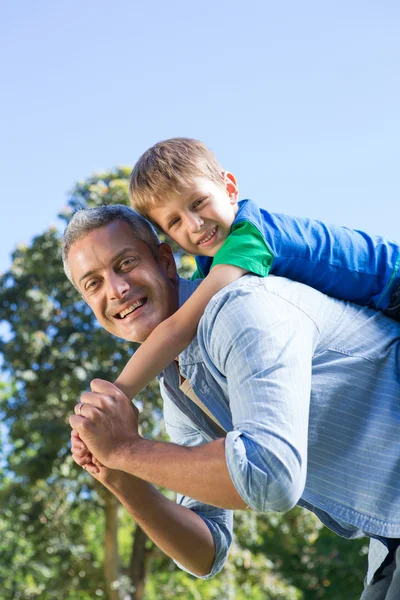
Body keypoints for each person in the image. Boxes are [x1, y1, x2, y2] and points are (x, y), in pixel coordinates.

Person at [64, 204, 400, 598]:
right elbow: (206, 551)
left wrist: (125, 449)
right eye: (93, 283)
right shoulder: (177, 382)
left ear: (166, 262)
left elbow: (272, 475)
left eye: (125, 263)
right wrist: (121, 477)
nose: (116, 290)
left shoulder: (238, 308)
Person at [108, 138, 400, 403]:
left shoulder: (248, 237)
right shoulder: (211, 267)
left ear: (230, 189)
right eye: (175, 222)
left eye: (198, 203)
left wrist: (118, 395)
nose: (194, 224)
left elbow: (179, 327)